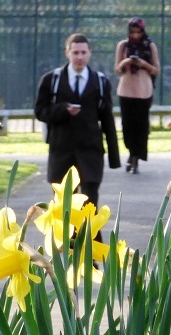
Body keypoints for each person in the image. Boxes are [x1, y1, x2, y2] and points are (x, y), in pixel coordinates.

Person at [34, 34, 120, 205]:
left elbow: (107, 120)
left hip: (90, 153)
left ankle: (89, 234)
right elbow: (40, 111)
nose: (79, 57)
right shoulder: (52, 80)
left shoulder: (101, 82)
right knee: (64, 206)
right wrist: (62, 110)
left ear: (89, 53)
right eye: (75, 53)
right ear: (67, 53)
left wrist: (114, 156)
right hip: (61, 152)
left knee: (89, 206)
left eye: (83, 52)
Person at [114, 18, 160, 174]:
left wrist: (143, 64)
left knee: (141, 127)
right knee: (127, 126)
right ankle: (131, 152)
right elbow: (117, 69)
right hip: (126, 91)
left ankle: (136, 158)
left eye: (138, 32)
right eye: (132, 32)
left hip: (143, 91)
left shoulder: (150, 46)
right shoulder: (123, 45)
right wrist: (127, 61)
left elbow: (156, 70)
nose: (135, 35)